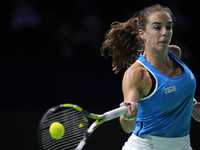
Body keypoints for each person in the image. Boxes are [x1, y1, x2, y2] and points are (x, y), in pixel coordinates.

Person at [101, 4, 200, 150]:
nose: (165, 32)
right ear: (142, 33)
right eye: (157, 27)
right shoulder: (137, 74)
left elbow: (192, 109)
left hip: (183, 145)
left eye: (169, 27)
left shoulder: (175, 53)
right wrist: (129, 115)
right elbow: (128, 127)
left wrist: (193, 106)